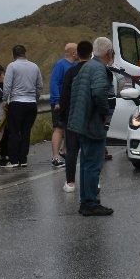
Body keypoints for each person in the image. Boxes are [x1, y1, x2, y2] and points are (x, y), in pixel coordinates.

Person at [68, 37, 115, 216]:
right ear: (109, 53)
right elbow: (99, 92)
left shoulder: (86, 67)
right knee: (94, 164)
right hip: (93, 122)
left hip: (80, 121)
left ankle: (86, 201)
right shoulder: (98, 69)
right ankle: (91, 203)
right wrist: (104, 113)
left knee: (86, 164)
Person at [59, 40, 93, 193]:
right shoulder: (95, 71)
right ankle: (93, 182)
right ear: (91, 53)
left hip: (72, 118)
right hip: (90, 118)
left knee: (72, 151)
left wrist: (63, 117)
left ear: (77, 54)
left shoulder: (70, 72)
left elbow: (64, 97)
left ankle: (70, 183)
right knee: (89, 151)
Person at [2, 45, 43, 168]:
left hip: (17, 103)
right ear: (25, 53)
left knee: (14, 132)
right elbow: (39, 86)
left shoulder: (12, 66)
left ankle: (14, 160)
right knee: (26, 132)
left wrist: (5, 100)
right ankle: (23, 159)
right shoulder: (34, 66)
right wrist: (34, 98)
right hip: (31, 104)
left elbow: (7, 86)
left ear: (13, 54)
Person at [48, 43, 78, 168]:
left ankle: (64, 151)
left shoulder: (76, 65)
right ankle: (55, 157)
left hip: (71, 103)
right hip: (60, 103)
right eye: (77, 51)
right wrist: (57, 101)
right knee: (59, 128)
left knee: (69, 129)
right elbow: (54, 83)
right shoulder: (60, 65)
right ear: (73, 53)